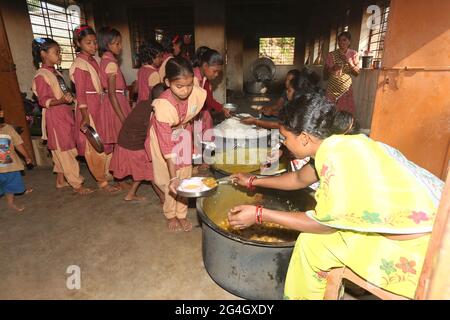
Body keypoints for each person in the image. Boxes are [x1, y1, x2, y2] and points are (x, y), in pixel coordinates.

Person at [228, 94, 444, 300]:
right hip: (432, 229)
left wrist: (259, 214)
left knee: (312, 243)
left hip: (426, 252)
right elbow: (298, 179)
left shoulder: (337, 159)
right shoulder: (337, 144)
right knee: (312, 243)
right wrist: (253, 181)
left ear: (303, 138)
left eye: (285, 138)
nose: (283, 143)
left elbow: (324, 224)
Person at [148, 57, 207, 232]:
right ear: (167, 82)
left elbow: (194, 118)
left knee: (185, 176)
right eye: (178, 86)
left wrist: (195, 144)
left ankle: (181, 214)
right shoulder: (163, 106)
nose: (185, 91)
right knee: (169, 180)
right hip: (162, 137)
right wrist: (173, 176)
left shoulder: (196, 93)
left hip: (183, 133)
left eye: (189, 85)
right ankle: (170, 214)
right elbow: (167, 147)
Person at [31, 38, 93, 195]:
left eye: (59, 52)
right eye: (56, 52)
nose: (59, 55)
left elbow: (62, 93)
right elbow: (43, 100)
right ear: (43, 54)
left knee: (61, 151)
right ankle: (77, 184)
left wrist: (69, 98)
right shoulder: (41, 75)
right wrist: (60, 100)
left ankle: (60, 181)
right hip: (55, 118)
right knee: (66, 150)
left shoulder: (55, 72)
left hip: (64, 114)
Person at [69, 25, 119, 193]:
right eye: (88, 43)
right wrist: (85, 116)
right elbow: (81, 94)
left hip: (98, 104)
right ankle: (101, 181)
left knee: (104, 141)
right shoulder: (80, 65)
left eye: (95, 43)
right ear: (78, 43)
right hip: (88, 108)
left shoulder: (94, 60)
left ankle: (106, 173)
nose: (93, 46)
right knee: (94, 147)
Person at [110, 84, 166, 203]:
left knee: (141, 170)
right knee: (150, 172)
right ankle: (163, 199)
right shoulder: (155, 111)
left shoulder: (143, 103)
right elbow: (152, 135)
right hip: (133, 145)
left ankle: (130, 194)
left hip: (124, 141)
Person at [0, 108, 34, 212]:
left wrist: (26, 156)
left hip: (9, 166)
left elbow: (18, 144)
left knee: (11, 185)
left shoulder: (8, 129)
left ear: (1, 113)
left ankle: (11, 203)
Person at [325, 32, 359, 114]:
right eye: (339, 40)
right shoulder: (331, 54)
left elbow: (357, 72)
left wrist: (348, 61)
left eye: (344, 40)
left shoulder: (353, 54)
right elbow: (325, 72)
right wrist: (333, 68)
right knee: (330, 109)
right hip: (332, 86)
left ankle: (345, 125)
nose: (341, 42)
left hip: (345, 87)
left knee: (345, 111)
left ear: (349, 42)